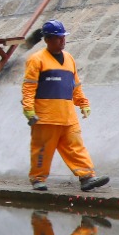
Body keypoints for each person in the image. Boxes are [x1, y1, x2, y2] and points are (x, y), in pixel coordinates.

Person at [22, 20, 108, 192]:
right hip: (46, 116)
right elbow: (29, 87)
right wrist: (29, 110)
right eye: (57, 38)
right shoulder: (36, 60)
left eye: (63, 38)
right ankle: (38, 179)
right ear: (47, 39)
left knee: (76, 146)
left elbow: (75, 85)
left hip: (67, 115)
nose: (62, 41)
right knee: (42, 150)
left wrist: (83, 103)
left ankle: (87, 177)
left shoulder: (69, 59)